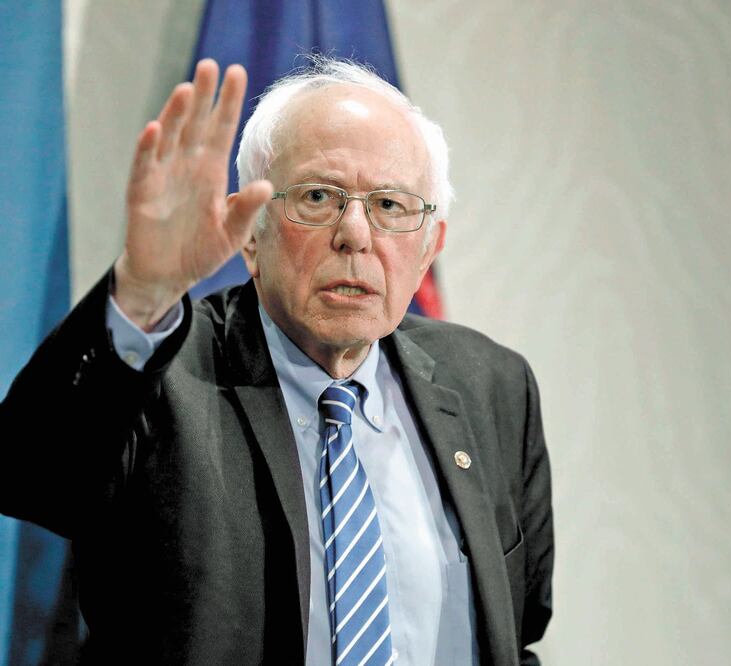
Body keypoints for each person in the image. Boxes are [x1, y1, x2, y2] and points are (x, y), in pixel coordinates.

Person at [0, 57, 553, 665]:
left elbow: (515, 631)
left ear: (429, 248)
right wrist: (140, 291)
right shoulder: (163, 371)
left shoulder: (493, 387)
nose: (355, 233)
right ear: (251, 232)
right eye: (318, 196)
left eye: (391, 206)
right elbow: (31, 473)